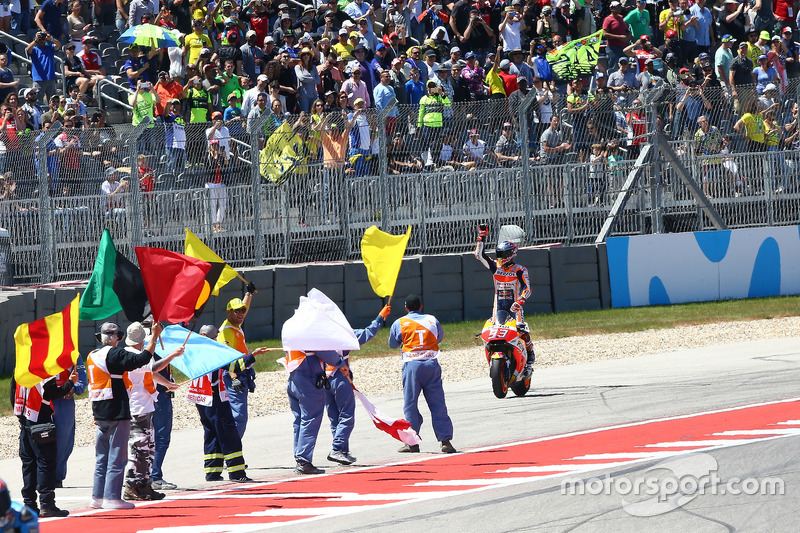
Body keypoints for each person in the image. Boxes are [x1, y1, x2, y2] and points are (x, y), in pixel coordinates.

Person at [87, 321, 182, 510]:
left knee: (102, 457)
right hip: (117, 409)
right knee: (118, 455)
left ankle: (98, 497)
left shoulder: (92, 354)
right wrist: (154, 336)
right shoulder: (115, 354)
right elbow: (144, 360)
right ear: (119, 337)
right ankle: (113, 497)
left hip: (100, 408)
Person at [388, 294, 456, 455]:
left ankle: (412, 443)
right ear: (421, 306)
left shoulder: (400, 322)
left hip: (412, 365)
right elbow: (439, 338)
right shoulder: (432, 320)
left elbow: (392, 343)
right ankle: (445, 441)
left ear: (406, 308)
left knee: (410, 404)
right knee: (438, 403)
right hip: (431, 364)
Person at [325, 305, 391, 465]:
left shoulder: (320, 335)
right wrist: (380, 317)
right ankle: (337, 448)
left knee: (335, 417)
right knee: (347, 415)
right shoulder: (346, 334)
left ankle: (342, 451)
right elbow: (368, 333)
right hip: (341, 376)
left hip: (323, 379)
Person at [187, 325, 252, 482]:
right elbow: (233, 366)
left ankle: (213, 471)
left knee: (211, 432)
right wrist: (253, 356)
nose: (217, 339)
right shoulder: (210, 351)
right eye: (215, 336)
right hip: (213, 396)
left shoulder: (194, 350)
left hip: (200, 397)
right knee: (228, 432)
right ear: (204, 335)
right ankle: (237, 472)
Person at [122, 322, 180, 502]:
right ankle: (132, 486)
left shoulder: (139, 355)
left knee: (149, 448)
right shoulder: (133, 356)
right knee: (138, 448)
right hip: (137, 407)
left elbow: (150, 373)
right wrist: (172, 356)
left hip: (145, 405)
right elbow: (152, 368)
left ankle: (144, 484)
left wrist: (167, 384)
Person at [13, 369, 78, 517]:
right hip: (40, 420)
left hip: (25, 420)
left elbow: (12, 393)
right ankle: (47, 503)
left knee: (28, 464)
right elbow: (53, 394)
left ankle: (29, 504)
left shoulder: (19, 369)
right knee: (45, 463)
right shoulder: (43, 370)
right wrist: (70, 383)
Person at [474, 230, 535, 377]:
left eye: (502, 254)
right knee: (493, 332)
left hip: (515, 307)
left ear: (511, 254)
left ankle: (529, 354)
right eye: (498, 254)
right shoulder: (495, 267)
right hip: (498, 306)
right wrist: (481, 237)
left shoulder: (520, 269)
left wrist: (520, 301)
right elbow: (478, 255)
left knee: (522, 330)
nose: (499, 257)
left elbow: (527, 288)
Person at [218, 290, 270, 439]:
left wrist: (249, 293)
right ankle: (232, 453)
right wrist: (234, 378)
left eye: (242, 311)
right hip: (235, 375)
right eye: (237, 311)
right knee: (239, 417)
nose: (241, 314)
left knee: (239, 416)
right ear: (229, 312)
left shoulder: (236, 325)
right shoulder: (227, 332)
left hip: (242, 373)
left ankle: (231, 452)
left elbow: (244, 308)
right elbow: (226, 361)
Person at [52, 357, 87, 488]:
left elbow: (81, 376)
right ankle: (40, 475)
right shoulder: (40, 346)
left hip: (63, 401)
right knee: (39, 436)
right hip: (43, 397)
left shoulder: (73, 352)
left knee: (63, 440)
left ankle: (57, 476)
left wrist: (74, 389)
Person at [26, 31, 61, 102]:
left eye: (43, 39)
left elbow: (58, 45)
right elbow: (28, 49)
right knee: (38, 100)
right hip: (39, 79)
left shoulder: (49, 48)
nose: (41, 41)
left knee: (53, 100)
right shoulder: (34, 50)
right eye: (40, 39)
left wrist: (51, 38)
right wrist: (35, 40)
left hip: (50, 77)